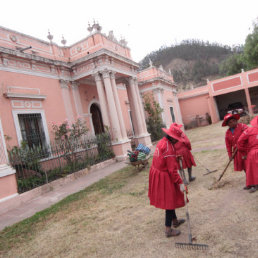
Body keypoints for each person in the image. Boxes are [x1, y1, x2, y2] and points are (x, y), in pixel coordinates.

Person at [148, 124, 186, 238]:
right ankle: (168, 230)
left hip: (158, 172)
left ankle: (175, 221)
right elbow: (173, 171)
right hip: (164, 176)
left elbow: (166, 158)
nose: (177, 141)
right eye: (177, 139)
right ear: (172, 137)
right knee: (169, 201)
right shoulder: (169, 148)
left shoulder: (163, 141)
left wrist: (175, 157)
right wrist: (181, 183)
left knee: (171, 198)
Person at [222, 114, 249, 188]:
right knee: (244, 167)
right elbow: (228, 145)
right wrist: (230, 155)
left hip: (246, 151)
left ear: (236, 120)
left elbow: (249, 133)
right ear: (227, 124)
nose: (233, 123)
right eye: (230, 122)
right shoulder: (227, 133)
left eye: (234, 121)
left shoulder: (243, 126)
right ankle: (250, 182)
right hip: (237, 153)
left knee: (249, 166)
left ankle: (254, 183)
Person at [237, 116, 258, 193]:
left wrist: (244, 151)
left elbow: (239, 142)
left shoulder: (249, 130)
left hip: (252, 153)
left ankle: (254, 185)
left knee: (252, 170)